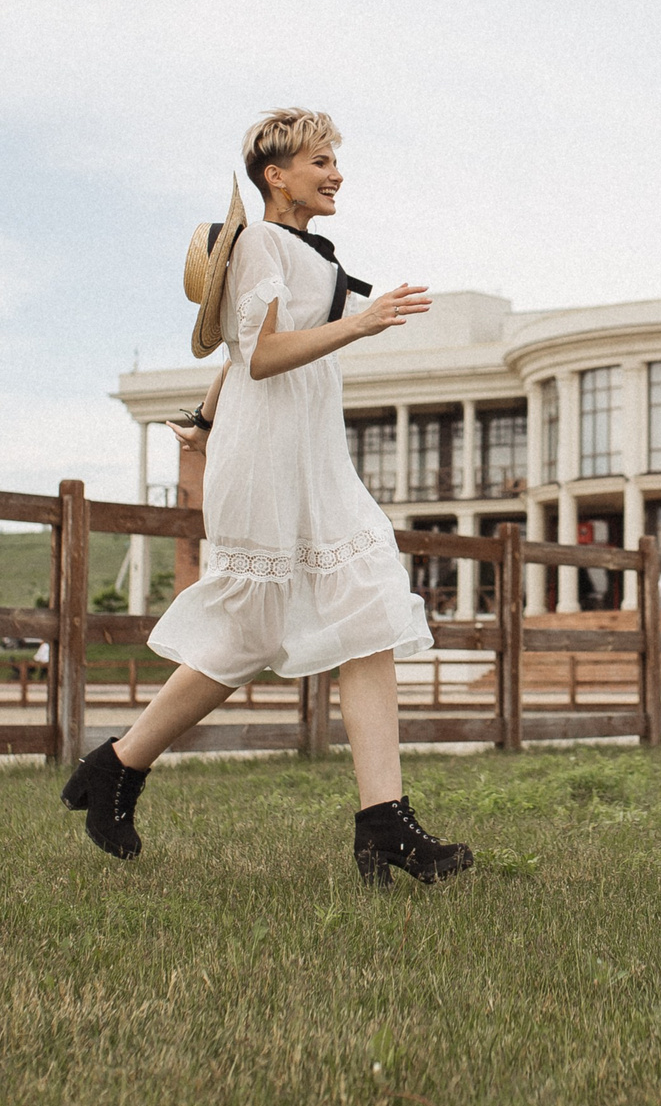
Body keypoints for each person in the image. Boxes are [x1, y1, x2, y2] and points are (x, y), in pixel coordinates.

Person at [60, 109, 474, 887]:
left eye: (335, 159)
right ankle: (118, 763)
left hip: (308, 452)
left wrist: (205, 420)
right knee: (253, 631)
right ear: (275, 176)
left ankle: (382, 820)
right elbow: (263, 355)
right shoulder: (258, 243)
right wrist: (365, 323)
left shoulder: (299, 248)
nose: (336, 172)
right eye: (321, 160)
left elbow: (242, 354)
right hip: (271, 457)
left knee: (368, 601)